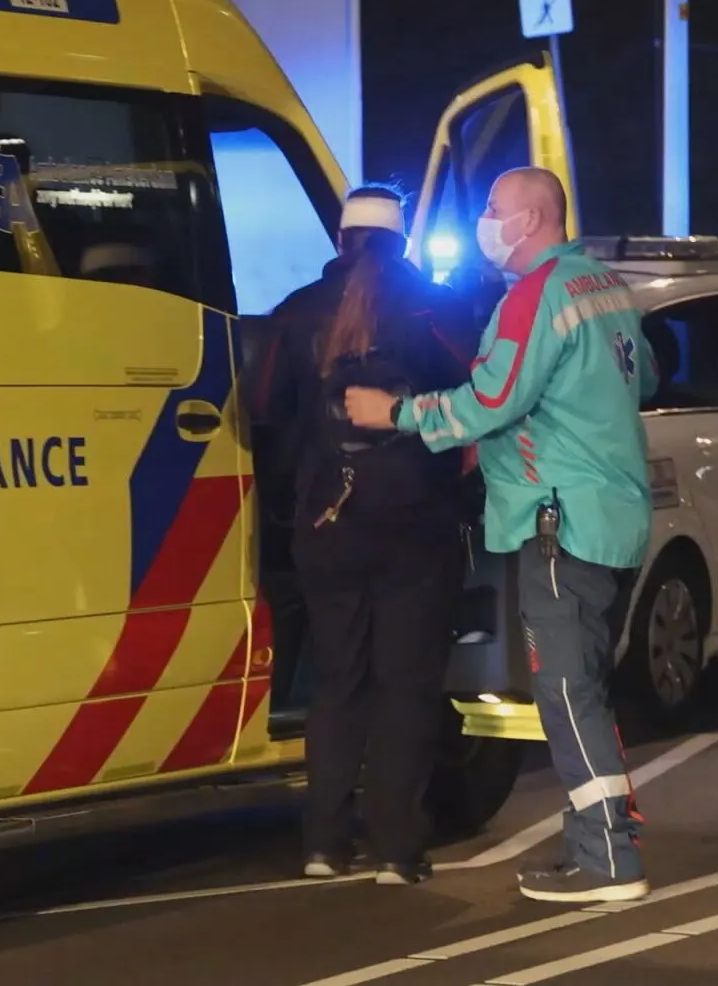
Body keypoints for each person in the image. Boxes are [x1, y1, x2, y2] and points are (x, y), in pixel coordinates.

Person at [344, 167, 660, 904]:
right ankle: (598, 842)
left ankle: (608, 859)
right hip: (613, 514)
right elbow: (642, 378)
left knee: (567, 692)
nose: (484, 219)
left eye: (493, 207)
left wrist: (395, 414)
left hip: (560, 519)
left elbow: (490, 400)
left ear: (533, 218)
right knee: (586, 688)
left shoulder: (536, 296)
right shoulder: (605, 287)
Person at [246, 185, 480, 885]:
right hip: (417, 520)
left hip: (327, 521)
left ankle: (324, 843)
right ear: (402, 241)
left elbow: (261, 406)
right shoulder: (436, 308)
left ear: (341, 240)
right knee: (405, 685)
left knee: (337, 678)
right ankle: (397, 850)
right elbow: (480, 400)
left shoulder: (297, 312)